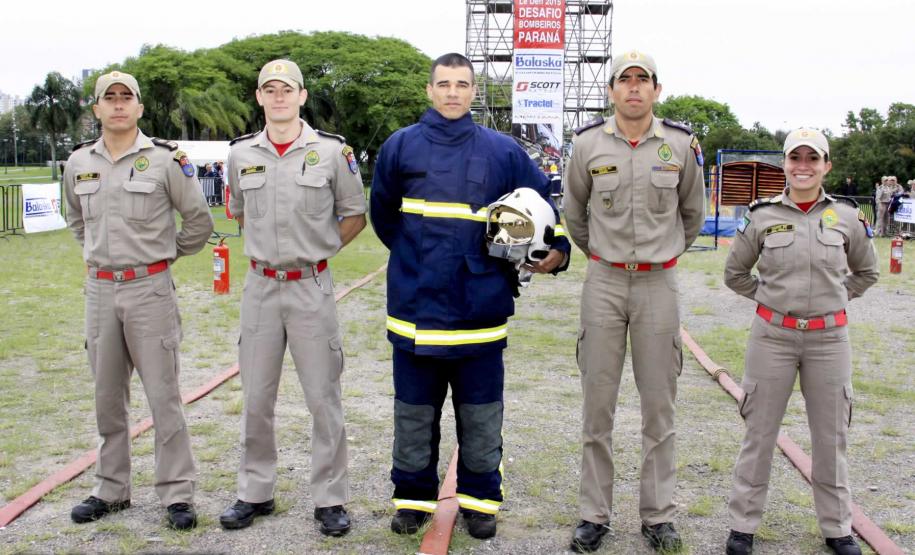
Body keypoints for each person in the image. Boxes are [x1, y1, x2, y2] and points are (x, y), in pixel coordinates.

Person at [370, 52, 570, 540]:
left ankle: (480, 502)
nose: (453, 92)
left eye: (462, 84)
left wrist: (557, 249)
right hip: (414, 310)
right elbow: (384, 217)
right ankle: (413, 500)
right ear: (429, 90)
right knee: (413, 414)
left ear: (474, 90)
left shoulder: (502, 151)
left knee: (481, 414)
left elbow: (544, 202)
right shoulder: (401, 146)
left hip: (480, 309)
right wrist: (417, 260)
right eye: (444, 84)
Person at [562, 50, 706, 553]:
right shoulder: (586, 145)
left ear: (657, 90)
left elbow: (693, 214)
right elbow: (574, 213)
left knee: (658, 408)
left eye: (644, 80)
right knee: (597, 406)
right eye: (625, 80)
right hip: (603, 282)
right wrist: (604, 255)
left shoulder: (681, 145)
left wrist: (659, 257)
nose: (635, 88)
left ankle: (658, 516)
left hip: (657, 287)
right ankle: (593, 514)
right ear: (612, 90)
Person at [220, 59, 366, 537]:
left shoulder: (330, 152)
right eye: (270, 89)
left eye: (288, 89)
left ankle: (330, 498)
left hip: (310, 287)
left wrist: (317, 253)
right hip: (260, 287)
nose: (279, 96)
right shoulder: (241, 155)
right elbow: (239, 212)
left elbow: (353, 214)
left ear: (302, 96)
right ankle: (255, 492)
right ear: (259, 97)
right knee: (257, 396)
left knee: (323, 396)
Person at [63, 70, 214, 529]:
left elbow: (198, 222)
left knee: (163, 396)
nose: (117, 105)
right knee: (107, 397)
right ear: (96, 110)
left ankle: (177, 494)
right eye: (108, 98)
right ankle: (111, 488)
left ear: (140, 107)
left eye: (126, 97)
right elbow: (75, 219)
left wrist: (162, 257)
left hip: (150, 290)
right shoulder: (77, 164)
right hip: (100, 290)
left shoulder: (166, 160)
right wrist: (101, 257)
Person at [723, 128, 878, 555]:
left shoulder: (846, 218)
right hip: (772, 337)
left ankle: (837, 528)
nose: (804, 166)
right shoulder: (762, 216)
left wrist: (834, 299)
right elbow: (734, 273)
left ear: (827, 166)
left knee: (831, 437)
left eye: (814, 158)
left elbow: (866, 272)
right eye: (796, 158)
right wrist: (770, 300)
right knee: (759, 433)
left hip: (829, 340)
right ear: (785, 165)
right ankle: (742, 527)